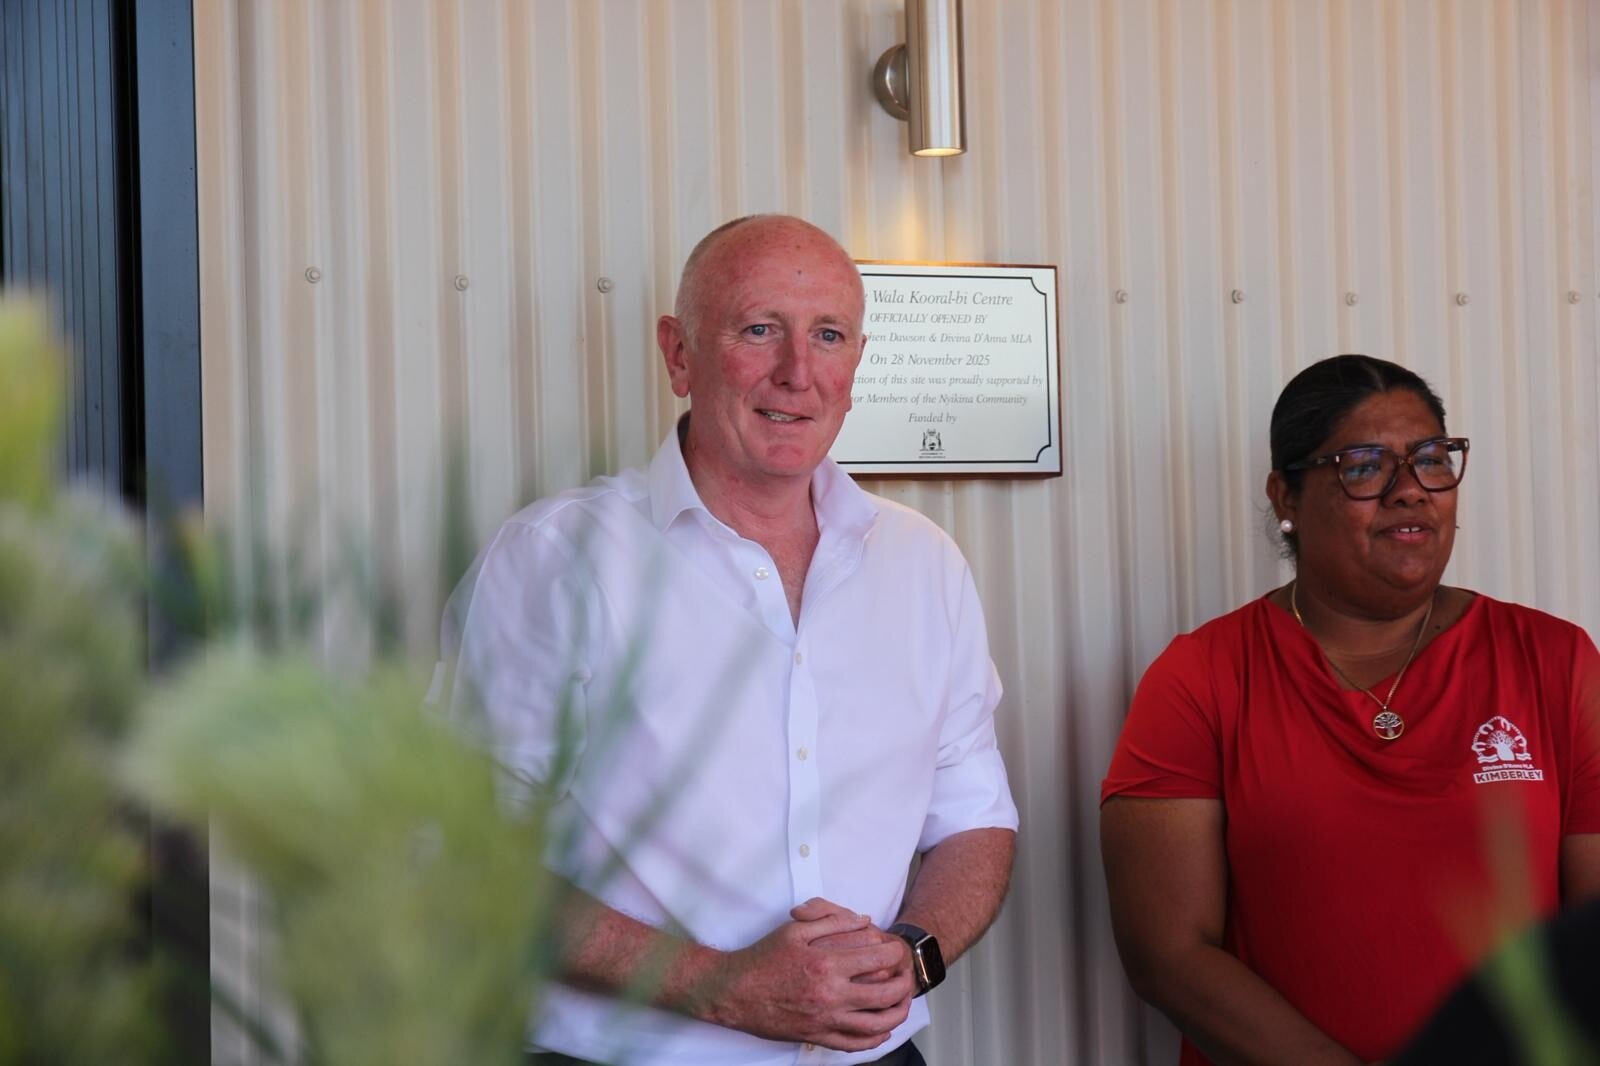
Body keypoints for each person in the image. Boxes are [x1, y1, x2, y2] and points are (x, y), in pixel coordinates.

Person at [448, 214, 1018, 1066]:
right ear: (679, 354)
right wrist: (725, 986)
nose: (798, 373)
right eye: (759, 330)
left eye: (828, 335)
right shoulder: (557, 559)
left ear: (856, 363)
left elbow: (975, 820)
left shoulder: (923, 565)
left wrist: (912, 954)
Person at [1099, 354, 1600, 1065]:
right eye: (1365, 466)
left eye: (1432, 460)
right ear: (1287, 497)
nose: (1412, 492)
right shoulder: (1201, 678)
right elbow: (1167, 953)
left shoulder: (1557, 662)